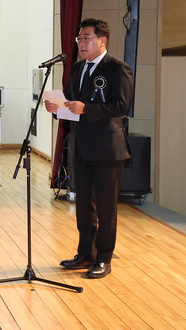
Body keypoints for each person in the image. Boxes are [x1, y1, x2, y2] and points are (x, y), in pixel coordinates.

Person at [45, 18, 134, 279]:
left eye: (87, 38)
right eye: (79, 39)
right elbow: (72, 103)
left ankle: (104, 258)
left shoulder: (118, 69)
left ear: (102, 40)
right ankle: (86, 253)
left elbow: (122, 106)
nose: (81, 43)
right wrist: (58, 108)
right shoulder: (77, 68)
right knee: (84, 205)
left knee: (106, 207)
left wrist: (87, 108)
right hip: (82, 146)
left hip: (108, 148)